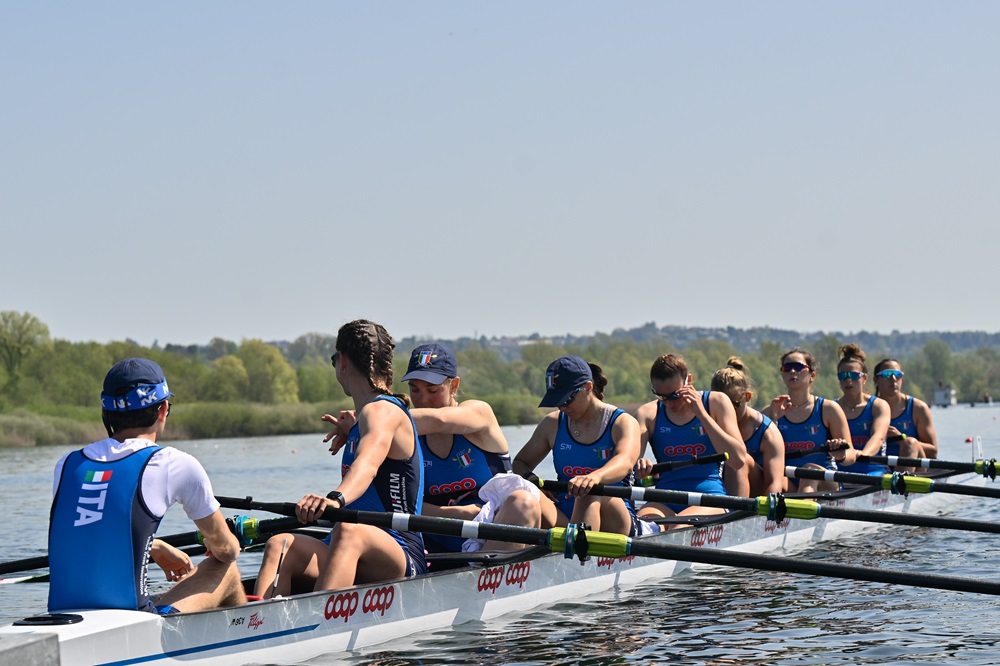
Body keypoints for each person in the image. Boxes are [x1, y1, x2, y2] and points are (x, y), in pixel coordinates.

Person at [48, 358, 245, 614]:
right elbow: (226, 550)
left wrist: (155, 546)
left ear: (106, 414)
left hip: (62, 616)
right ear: (163, 409)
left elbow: (92, 526)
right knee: (226, 566)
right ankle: (247, 635)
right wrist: (228, 542)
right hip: (135, 622)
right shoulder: (173, 463)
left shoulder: (68, 465)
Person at [254, 320, 425, 598]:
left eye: (334, 359)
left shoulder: (382, 412)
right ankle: (257, 627)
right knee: (281, 545)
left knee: (348, 530)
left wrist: (335, 499)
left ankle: (317, 629)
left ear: (342, 361)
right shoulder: (364, 419)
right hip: (346, 544)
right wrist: (353, 430)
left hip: (398, 549)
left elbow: (367, 464)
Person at [322, 343, 544, 554]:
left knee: (524, 503)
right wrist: (451, 513)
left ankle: (488, 580)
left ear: (454, 385)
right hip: (433, 542)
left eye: (433, 389)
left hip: (492, 538)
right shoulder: (402, 431)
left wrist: (364, 420)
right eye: (415, 390)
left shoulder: (478, 413)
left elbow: (439, 420)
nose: (423, 399)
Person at [511, 356, 642, 535]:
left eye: (567, 399)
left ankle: (580, 556)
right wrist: (533, 481)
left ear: (588, 387)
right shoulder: (552, 424)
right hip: (566, 517)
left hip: (615, 520)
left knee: (589, 491)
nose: (562, 407)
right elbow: (520, 463)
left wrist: (595, 477)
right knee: (521, 493)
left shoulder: (622, 422)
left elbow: (625, 462)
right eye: (557, 401)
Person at [634, 354, 750, 524]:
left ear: (688, 380)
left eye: (675, 395)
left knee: (679, 525)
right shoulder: (647, 413)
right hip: (664, 498)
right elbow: (629, 460)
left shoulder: (716, 402)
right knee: (643, 525)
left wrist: (702, 414)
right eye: (662, 397)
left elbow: (738, 460)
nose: (670, 404)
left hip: (709, 497)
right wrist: (639, 463)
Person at [762, 348, 854, 493]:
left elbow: (851, 456)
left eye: (798, 367)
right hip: (788, 481)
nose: (792, 371)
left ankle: (799, 511)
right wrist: (772, 422)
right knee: (769, 478)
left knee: (809, 471)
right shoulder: (770, 411)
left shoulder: (829, 409)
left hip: (825, 482)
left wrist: (841, 455)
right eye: (787, 368)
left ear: (812, 375)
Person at [710, 357, 785, 496]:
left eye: (734, 404)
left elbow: (774, 483)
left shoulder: (768, 433)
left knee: (738, 459)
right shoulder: (706, 424)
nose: (727, 410)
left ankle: (735, 513)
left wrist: (766, 514)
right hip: (716, 490)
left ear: (748, 397)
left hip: (757, 493)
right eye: (721, 404)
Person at [835, 344, 891, 476]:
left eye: (854, 376)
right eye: (843, 376)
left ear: (864, 378)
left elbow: (878, 437)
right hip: (839, 471)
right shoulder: (832, 407)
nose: (848, 380)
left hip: (872, 470)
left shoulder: (879, 406)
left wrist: (862, 454)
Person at [873, 357, 939, 460]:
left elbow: (933, 452)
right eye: (887, 374)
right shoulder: (867, 408)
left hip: (912, 469)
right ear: (876, 380)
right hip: (878, 468)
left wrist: (901, 439)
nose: (893, 379)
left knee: (910, 443)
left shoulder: (918, 408)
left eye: (898, 375)